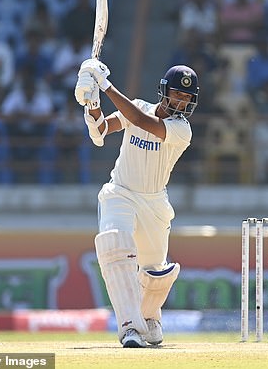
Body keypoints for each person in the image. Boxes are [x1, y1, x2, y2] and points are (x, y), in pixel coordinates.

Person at [74, 58, 199, 348]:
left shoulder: (182, 130)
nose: (180, 102)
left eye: (186, 98)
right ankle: (130, 328)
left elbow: (144, 123)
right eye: (177, 94)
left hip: (154, 203)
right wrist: (92, 104)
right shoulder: (138, 107)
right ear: (164, 91)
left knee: (156, 273)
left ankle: (149, 319)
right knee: (115, 244)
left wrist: (105, 84)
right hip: (121, 192)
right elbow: (102, 131)